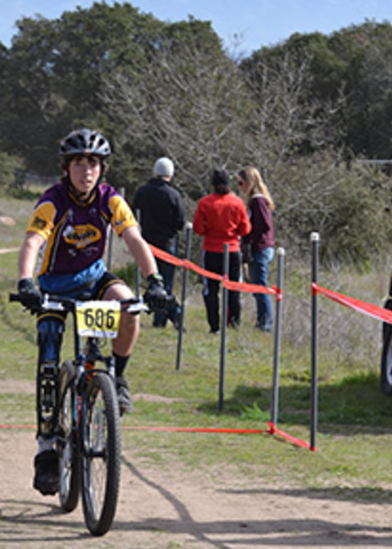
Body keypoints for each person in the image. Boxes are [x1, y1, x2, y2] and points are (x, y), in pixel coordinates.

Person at [15, 128, 169, 495]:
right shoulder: (53, 200)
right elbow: (33, 241)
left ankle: (117, 378)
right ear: (66, 167)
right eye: (79, 163)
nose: (87, 171)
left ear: (102, 169)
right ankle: (47, 447)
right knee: (50, 360)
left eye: (94, 164)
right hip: (53, 285)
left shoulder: (110, 199)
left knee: (130, 307)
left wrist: (155, 279)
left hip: (93, 279)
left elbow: (134, 238)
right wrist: (26, 282)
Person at [193, 169, 251, 333]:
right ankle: (234, 324)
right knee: (233, 288)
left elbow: (198, 228)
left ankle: (214, 326)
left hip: (211, 250)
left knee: (210, 290)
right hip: (232, 250)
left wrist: (209, 230)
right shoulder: (237, 203)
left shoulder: (205, 203)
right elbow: (245, 229)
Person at [131, 157, 185, 328]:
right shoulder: (174, 195)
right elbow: (180, 222)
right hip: (168, 244)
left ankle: (164, 315)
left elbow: (132, 215)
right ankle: (167, 316)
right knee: (166, 282)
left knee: (152, 280)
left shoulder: (142, 192)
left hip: (146, 244)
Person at [237, 166, 276, 332]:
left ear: (249, 182)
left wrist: (250, 234)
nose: (240, 187)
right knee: (256, 287)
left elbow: (265, 224)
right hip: (258, 248)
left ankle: (265, 324)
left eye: (241, 183)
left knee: (260, 287)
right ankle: (262, 321)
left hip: (261, 248)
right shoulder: (254, 201)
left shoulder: (258, 201)